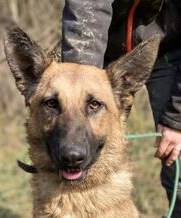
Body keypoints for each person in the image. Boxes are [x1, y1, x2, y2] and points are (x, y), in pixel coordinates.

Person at [61, 0, 181, 217]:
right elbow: (85, 7)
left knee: (179, 158)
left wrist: (177, 119)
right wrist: (80, 81)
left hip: (173, 50)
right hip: (103, 49)